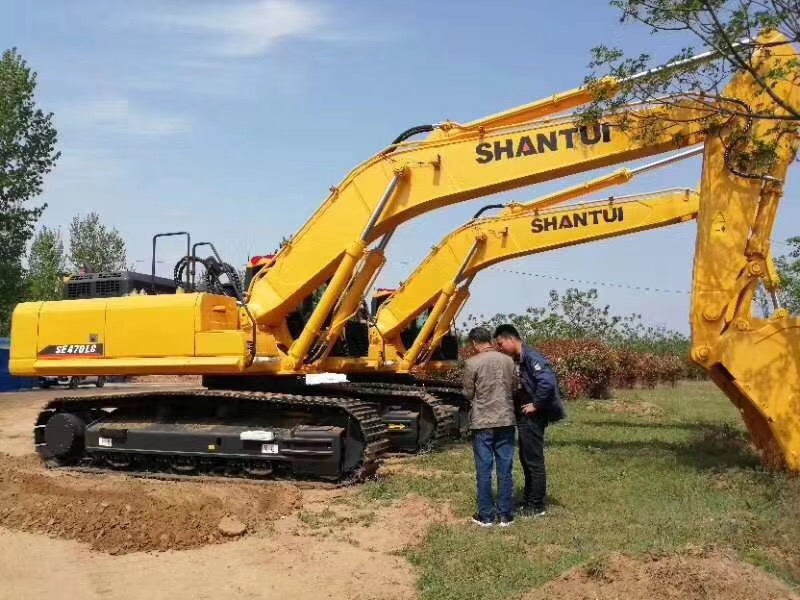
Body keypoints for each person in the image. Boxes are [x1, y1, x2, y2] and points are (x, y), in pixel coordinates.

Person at [494, 324, 565, 518]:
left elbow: (548, 382)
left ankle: (537, 504)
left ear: (510, 339)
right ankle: (529, 498)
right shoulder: (520, 358)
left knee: (533, 459)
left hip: (534, 416)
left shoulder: (532, 357)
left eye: (500, 344)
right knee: (526, 458)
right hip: (526, 416)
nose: (500, 348)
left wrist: (536, 404)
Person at [462, 326, 518, 527]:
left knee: (484, 469)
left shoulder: (472, 363)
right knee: (505, 468)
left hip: (483, 422)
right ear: (490, 341)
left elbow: (468, 393)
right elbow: (514, 387)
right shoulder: (508, 361)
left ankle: (486, 516)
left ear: (475, 343)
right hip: (505, 420)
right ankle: (506, 515)